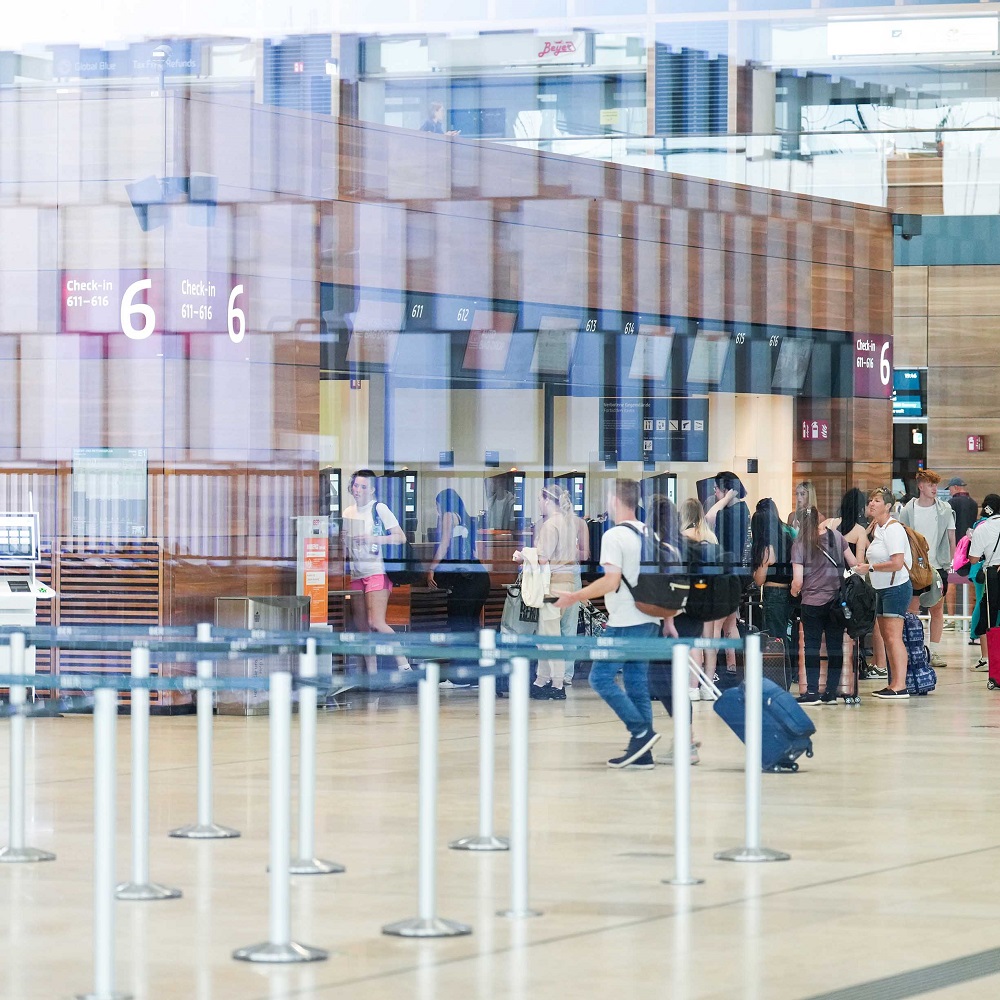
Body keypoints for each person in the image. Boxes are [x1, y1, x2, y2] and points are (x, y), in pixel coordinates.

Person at [554, 478, 662, 768]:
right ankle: (643, 753)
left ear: (616, 499)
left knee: (600, 677)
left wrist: (575, 596)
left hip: (626, 619)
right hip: (650, 616)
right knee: (636, 682)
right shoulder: (649, 532)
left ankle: (641, 731)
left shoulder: (614, 536)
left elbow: (611, 581)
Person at [523, 484, 588, 700]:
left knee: (549, 636)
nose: (539, 504)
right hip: (569, 582)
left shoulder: (550, 526)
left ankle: (556, 682)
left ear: (548, 501)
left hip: (553, 585)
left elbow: (542, 559)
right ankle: (542, 679)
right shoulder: (570, 523)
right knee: (555, 633)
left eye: (540, 500)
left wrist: (523, 556)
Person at [342, 469, 409, 673]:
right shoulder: (347, 512)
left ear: (371, 489)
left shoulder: (379, 508)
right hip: (357, 572)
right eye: (356, 485)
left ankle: (404, 665)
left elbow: (400, 537)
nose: (358, 490)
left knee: (376, 622)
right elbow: (346, 546)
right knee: (363, 628)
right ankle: (371, 674)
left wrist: (372, 539)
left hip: (377, 570)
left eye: (363, 486)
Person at [790, 507, 858, 705]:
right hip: (836, 602)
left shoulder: (800, 544)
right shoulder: (836, 537)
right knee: (835, 647)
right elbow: (853, 564)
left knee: (811, 646)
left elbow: (798, 580)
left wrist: (794, 592)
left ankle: (812, 693)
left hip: (812, 603)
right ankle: (831, 694)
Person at [856, 487, 913, 700]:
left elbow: (897, 563)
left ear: (888, 506)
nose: (872, 503)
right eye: (870, 500)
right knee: (888, 637)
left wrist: (869, 568)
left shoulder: (893, 529)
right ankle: (894, 682)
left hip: (895, 588)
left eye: (877, 500)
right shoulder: (878, 529)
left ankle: (900, 685)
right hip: (882, 588)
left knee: (893, 637)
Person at [896, 469, 956, 668]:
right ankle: (914, 649)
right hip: (914, 567)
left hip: (937, 566)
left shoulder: (945, 509)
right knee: (911, 610)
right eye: (930, 485)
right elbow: (901, 537)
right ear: (920, 486)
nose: (934, 489)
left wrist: (951, 563)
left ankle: (935, 651)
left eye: (935, 485)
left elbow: (950, 538)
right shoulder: (907, 510)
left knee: (936, 609)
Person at [428, 488, 491, 641]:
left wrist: (431, 568)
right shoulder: (467, 519)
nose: (437, 511)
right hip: (480, 579)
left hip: (464, 581)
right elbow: (474, 553)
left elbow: (444, 544)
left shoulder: (448, 516)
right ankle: (473, 661)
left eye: (437, 506)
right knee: (472, 624)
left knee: (460, 626)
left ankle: (462, 661)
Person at [705, 471, 749, 680]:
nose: (714, 492)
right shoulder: (741, 509)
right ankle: (734, 669)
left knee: (715, 623)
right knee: (730, 623)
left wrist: (727, 498)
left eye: (716, 488)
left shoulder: (732, 511)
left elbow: (709, 516)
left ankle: (711, 671)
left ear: (727, 489)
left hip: (724, 576)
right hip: (734, 576)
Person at [679, 497, 722, 701]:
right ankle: (708, 686)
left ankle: (692, 687)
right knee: (710, 639)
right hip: (713, 593)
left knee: (694, 640)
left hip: (693, 593)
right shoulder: (711, 537)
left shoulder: (683, 536)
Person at [750, 498, 796, 671]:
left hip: (773, 593)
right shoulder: (787, 536)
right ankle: (788, 672)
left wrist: (755, 572)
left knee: (775, 638)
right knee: (784, 635)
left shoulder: (767, 548)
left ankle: (778, 674)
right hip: (788, 593)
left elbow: (759, 580)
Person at [968, 494, 1000, 664]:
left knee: (988, 614)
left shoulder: (982, 528)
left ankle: (987, 659)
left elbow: (973, 559)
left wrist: (983, 557)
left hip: (992, 575)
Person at [945, 477, 978, 628]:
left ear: (956, 487)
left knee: (951, 582)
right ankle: (971, 617)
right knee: (971, 582)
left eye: (950, 489)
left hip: (955, 549)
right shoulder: (973, 503)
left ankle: (951, 618)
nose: (950, 492)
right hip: (971, 548)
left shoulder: (951, 503)